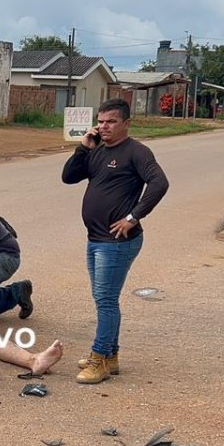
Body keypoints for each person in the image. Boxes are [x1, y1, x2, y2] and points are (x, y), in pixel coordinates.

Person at [62, 98, 169, 384]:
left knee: (106, 300)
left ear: (125, 123)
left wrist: (133, 217)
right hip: (95, 238)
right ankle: (111, 356)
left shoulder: (136, 152)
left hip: (118, 241)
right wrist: (83, 148)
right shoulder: (97, 151)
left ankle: (99, 360)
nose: (103, 126)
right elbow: (69, 177)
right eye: (100, 120)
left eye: (110, 121)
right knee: (104, 300)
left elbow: (159, 183)